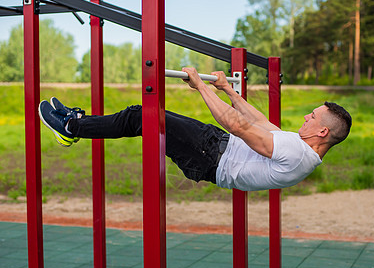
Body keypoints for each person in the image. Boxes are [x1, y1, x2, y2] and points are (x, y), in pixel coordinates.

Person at [38, 68, 352, 191]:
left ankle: (71, 126)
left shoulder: (298, 154)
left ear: (323, 132)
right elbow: (258, 121)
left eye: (313, 117)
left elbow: (236, 124)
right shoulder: (298, 148)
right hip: (214, 149)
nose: (307, 117)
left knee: (140, 116)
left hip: (211, 156)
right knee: (142, 118)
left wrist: (201, 85)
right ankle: (76, 122)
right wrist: (228, 90)